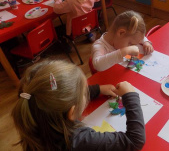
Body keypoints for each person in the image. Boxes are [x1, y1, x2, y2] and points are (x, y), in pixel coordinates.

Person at [11, 59, 146, 150]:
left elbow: (60, 94)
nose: (86, 93)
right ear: (72, 111)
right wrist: (131, 96)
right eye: (84, 92)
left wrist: (98, 89)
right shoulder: (78, 140)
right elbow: (135, 140)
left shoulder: (34, 112)